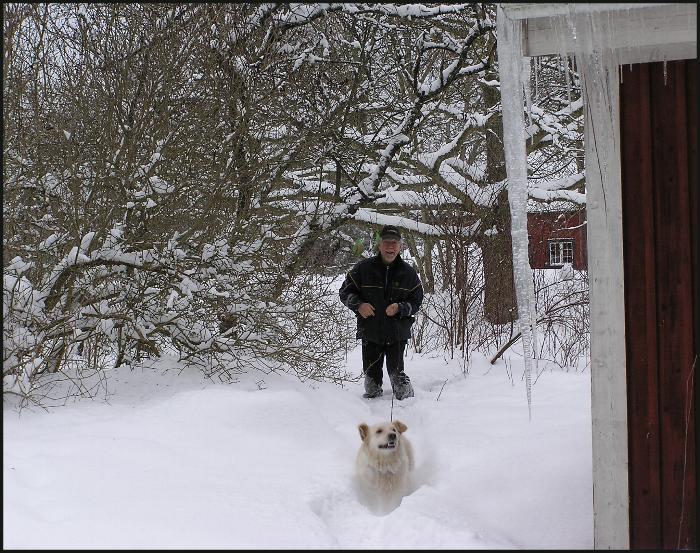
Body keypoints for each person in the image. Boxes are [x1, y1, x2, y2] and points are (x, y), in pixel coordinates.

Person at [339, 225, 424, 400]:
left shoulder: (408, 273)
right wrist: (359, 305)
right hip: (370, 331)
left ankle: (409, 408)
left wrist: (400, 308)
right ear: (379, 245)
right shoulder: (363, 269)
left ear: (400, 246)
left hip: (397, 332)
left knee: (399, 384)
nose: (390, 247)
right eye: (387, 242)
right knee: (371, 387)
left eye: (395, 243)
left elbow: (416, 301)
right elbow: (344, 292)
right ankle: (370, 408)